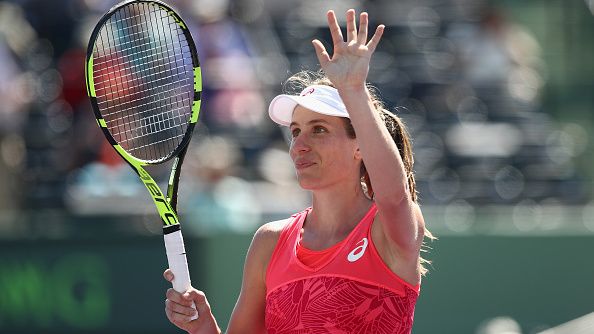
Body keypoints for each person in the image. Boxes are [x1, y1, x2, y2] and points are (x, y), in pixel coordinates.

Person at [163, 9, 434, 334]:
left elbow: (393, 194)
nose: (299, 145)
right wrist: (203, 328)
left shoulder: (389, 230)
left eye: (318, 130)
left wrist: (354, 91)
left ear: (360, 146)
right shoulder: (270, 243)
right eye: (295, 131)